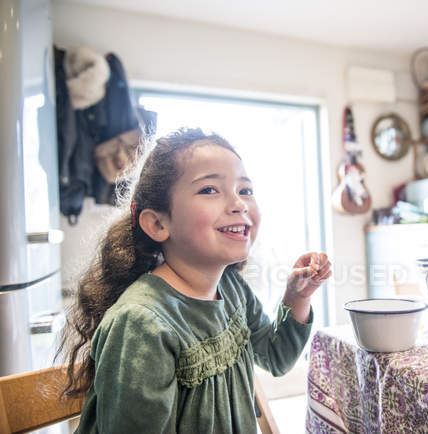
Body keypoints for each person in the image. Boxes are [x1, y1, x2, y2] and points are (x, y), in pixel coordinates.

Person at [58, 128, 331, 433]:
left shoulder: (232, 288)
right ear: (158, 224)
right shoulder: (140, 324)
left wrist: (298, 298)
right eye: (210, 190)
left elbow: (276, 358)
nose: (238, 203)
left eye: (245, 190)